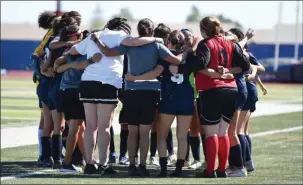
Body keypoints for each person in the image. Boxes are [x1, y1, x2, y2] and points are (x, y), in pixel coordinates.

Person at [68, 17, 168, 175]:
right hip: (108, 82)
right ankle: (103, 164)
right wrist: (157, 38)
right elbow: (136, 42)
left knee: (90, 126)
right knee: (104, 127)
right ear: (124, 28)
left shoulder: (95, 35)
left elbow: (73, 51)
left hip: (87, 82)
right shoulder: (121, 35)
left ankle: (89, 163)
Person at [92, 18, 189, 177]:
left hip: (131, 91)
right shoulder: (157, 45)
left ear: (138, 30)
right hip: (150, 91)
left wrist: (96, 40)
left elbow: (108, 52)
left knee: (132, 132)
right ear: (151, 31)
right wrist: (187, 50)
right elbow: (177, 60)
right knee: (145, 133)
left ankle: (131, 165)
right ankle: (142, 165)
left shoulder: (129, 45)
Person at [176, 16, 250, 178]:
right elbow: (245, 65)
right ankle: (222, 170)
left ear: (203, 29)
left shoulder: (206, 44)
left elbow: (200, 64)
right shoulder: (230, 43)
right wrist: (228, 71)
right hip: (231, 89)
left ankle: (211, 171)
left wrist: (212, 71)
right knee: (223, 132)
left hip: (211, 90)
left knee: (211, 133)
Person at [53, 27, 100, 172]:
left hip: (65, 91)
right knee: (75, 128)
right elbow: (79, 65)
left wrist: (64, 63)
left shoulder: (73, 51)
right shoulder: (85, 52)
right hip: (75, 92)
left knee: (80, 128)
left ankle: (88, 161)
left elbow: (57, 67)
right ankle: (66, 164)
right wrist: (92, 60)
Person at [39, 17, 79, 169]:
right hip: (57, 87)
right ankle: (57, 158)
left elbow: (44, 68)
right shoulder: (67, 48)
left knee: (49, 123)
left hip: (47, 87)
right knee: (60, 126)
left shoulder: (52, 44)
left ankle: (46, 157)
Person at [239, 46, 266, 173]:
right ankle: (248, 163)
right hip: (250, 90)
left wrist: (248, 63)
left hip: (247, 91)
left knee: (239, 131)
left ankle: (242, 163)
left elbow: (260, 68)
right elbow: (254, 71)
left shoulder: (246, 55)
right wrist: (261, 86)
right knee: (243, 130)